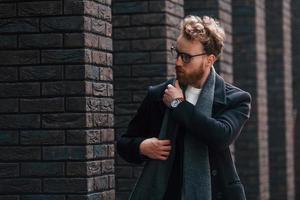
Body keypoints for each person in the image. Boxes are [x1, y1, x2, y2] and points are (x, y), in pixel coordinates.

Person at [117, 15, 251, 200]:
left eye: (186, 57)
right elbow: (124, 143)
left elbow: (220, 136)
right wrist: (141, 146)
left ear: (209, 60)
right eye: (177, 53)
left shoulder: (235, 99)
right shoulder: (159, 95)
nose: (178, 62)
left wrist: (178, 105)